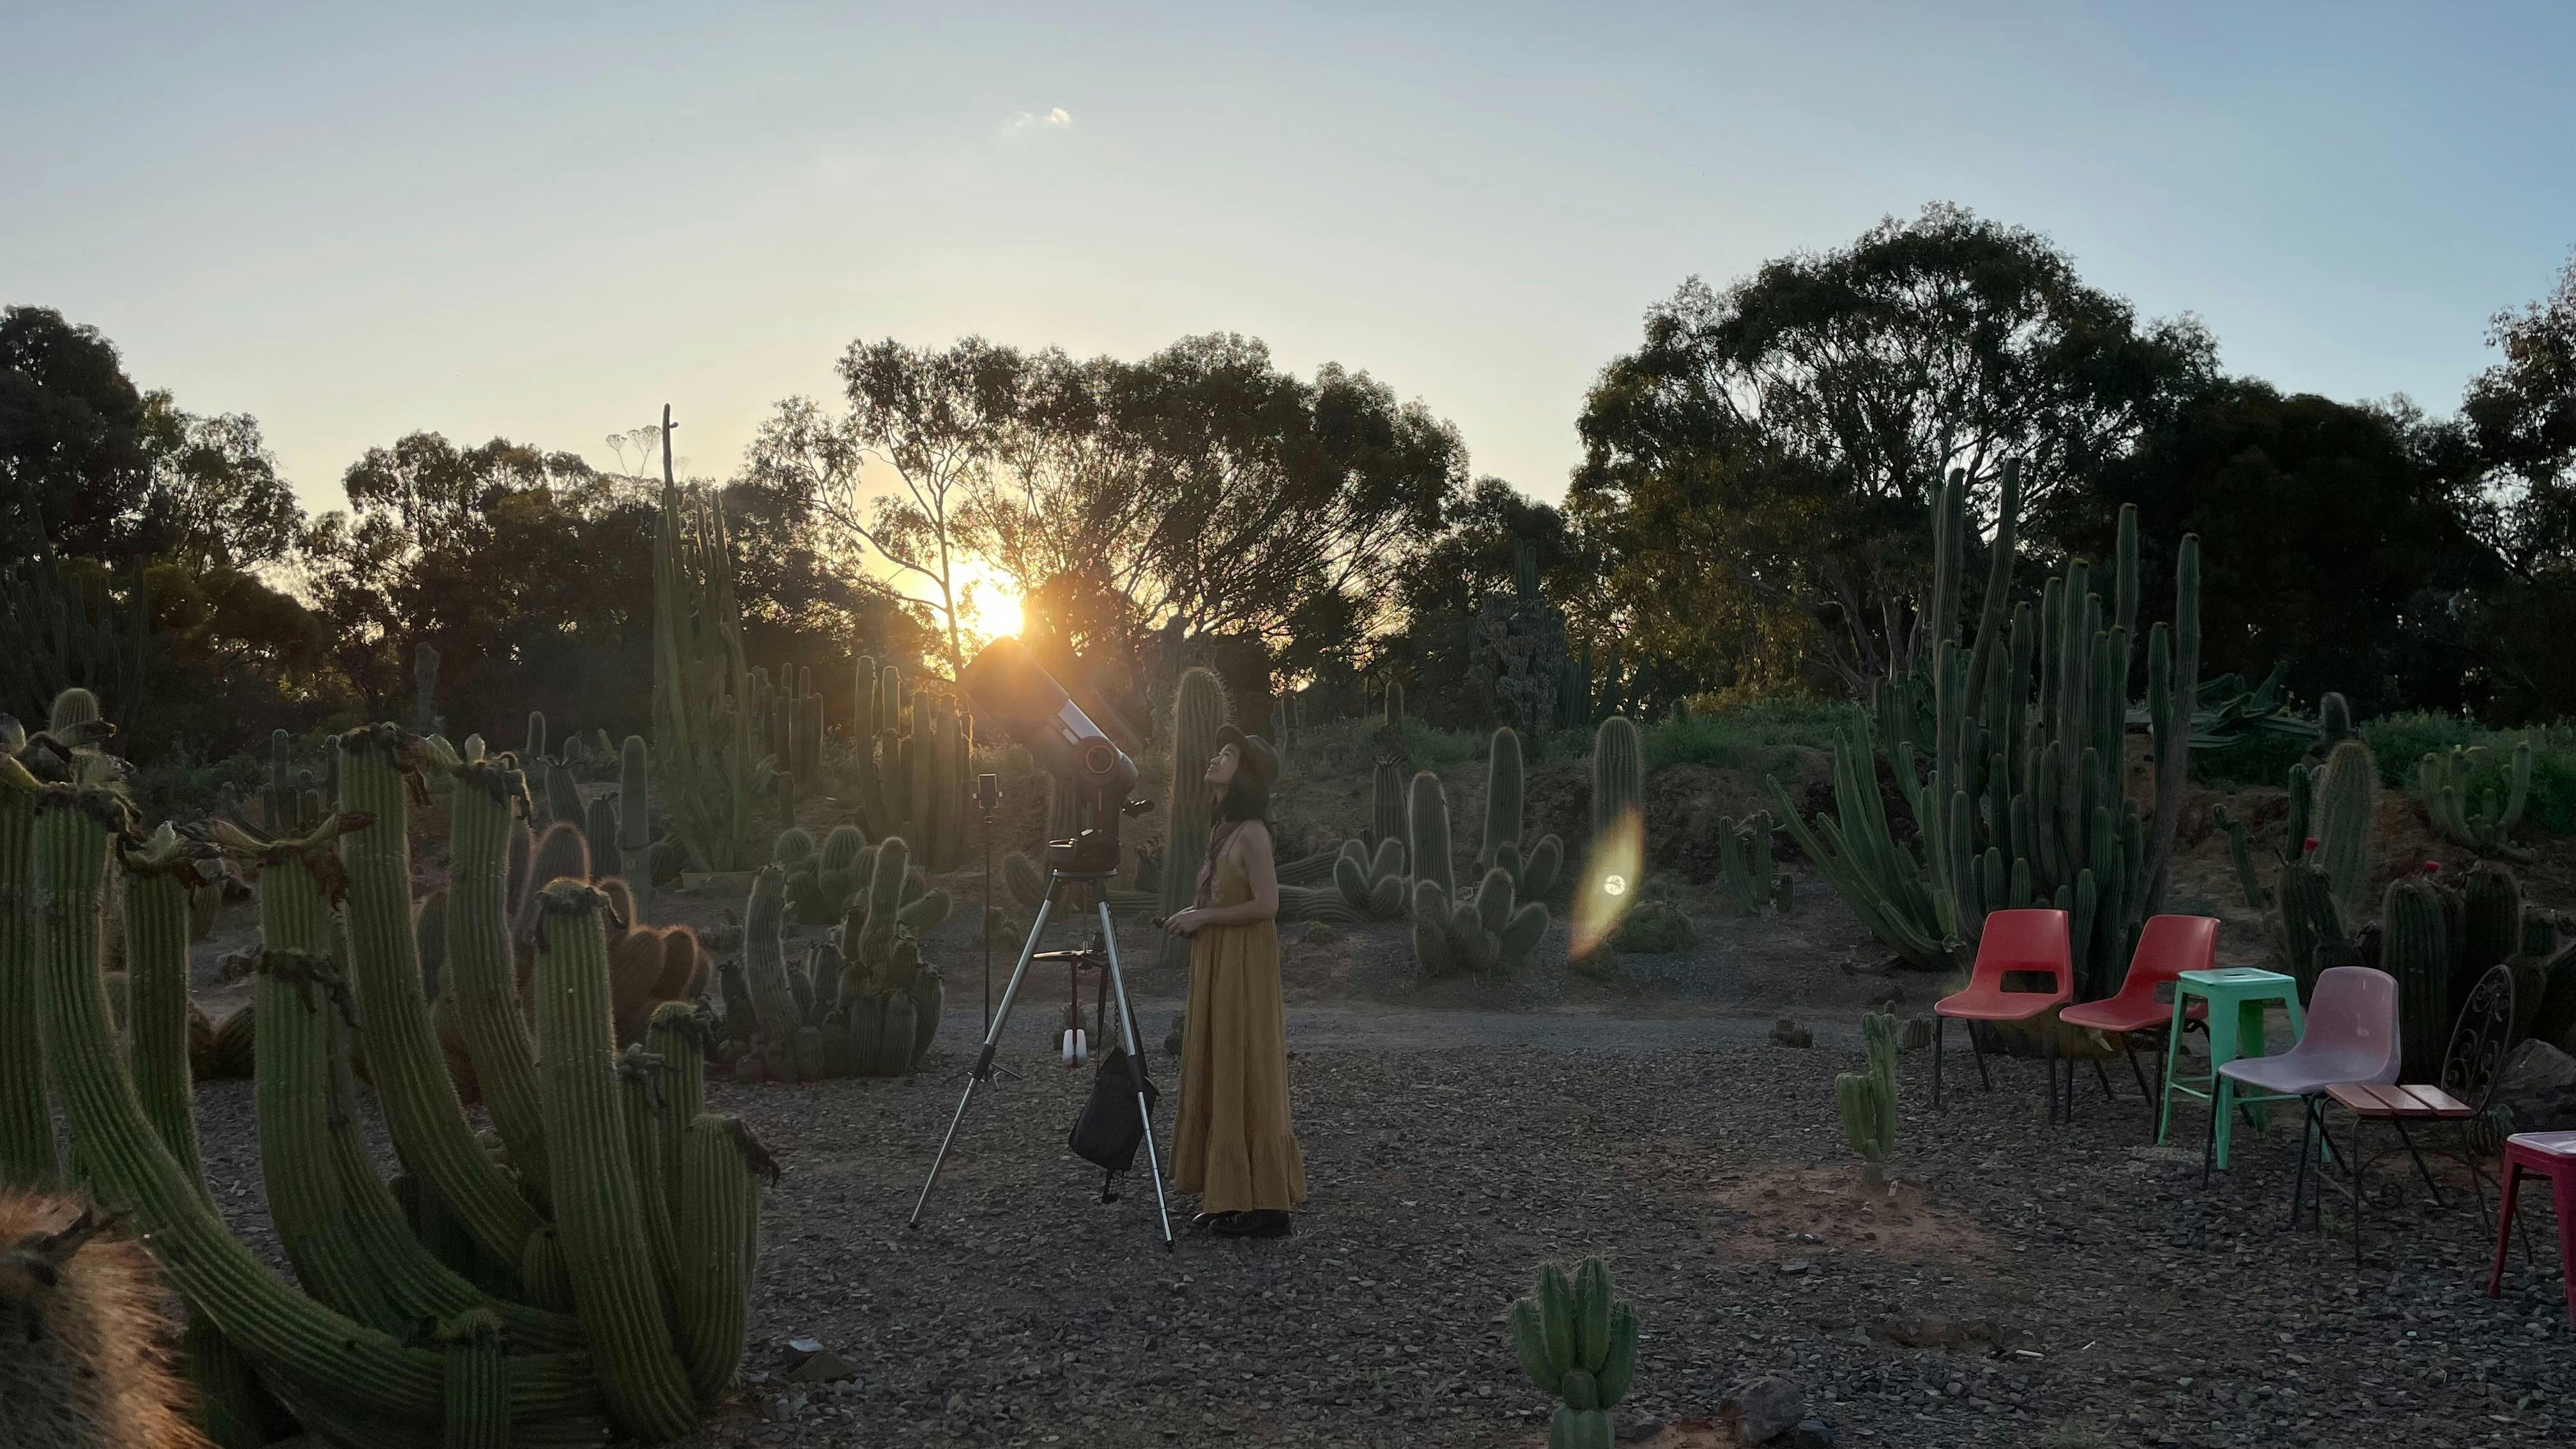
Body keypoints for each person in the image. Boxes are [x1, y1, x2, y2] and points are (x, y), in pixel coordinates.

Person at [1163, 724, 1305, 1238]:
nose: (1215, 757)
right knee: (1222, 1061)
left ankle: (1267, 1205)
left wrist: (1205, 920)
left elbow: (1268, 906)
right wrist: (1195, 913)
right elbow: (1225, 898)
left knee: (1247, 1062)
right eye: (1218, 748)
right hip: (1219, 960)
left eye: (1228, 754)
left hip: (1244, 964)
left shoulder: (1254, 835)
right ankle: (1227, 1192)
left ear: (1244, 775)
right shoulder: (1222, 830)